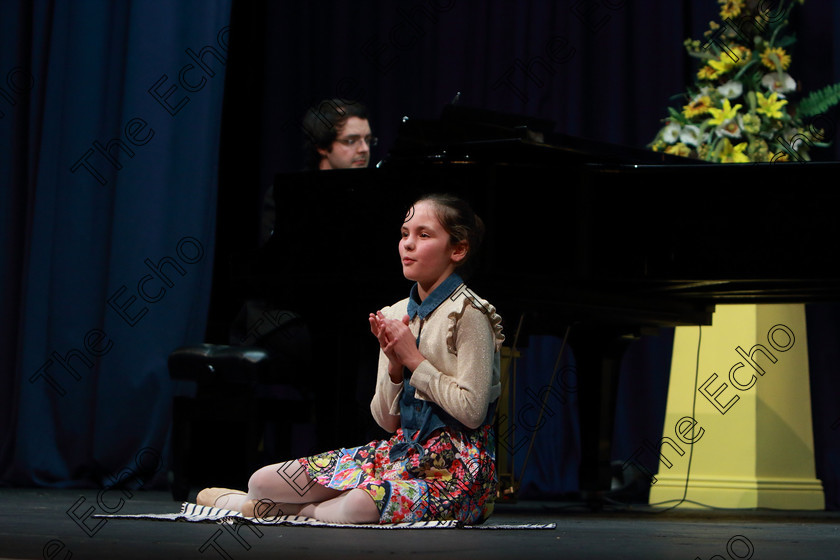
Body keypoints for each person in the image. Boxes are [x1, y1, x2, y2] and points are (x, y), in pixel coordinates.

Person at [197, 193, 505, 525]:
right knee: (263, 481)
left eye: (424, 235)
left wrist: (414, 360)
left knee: (358, 506)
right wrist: (394, 367)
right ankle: (288, 505)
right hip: (402, 454)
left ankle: (262, 510)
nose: (408, 244)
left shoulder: (469, 314)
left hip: (455, 472)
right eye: (404, 234)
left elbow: (472, 413)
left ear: (457, 249)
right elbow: (387, 422)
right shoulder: (397, 313)